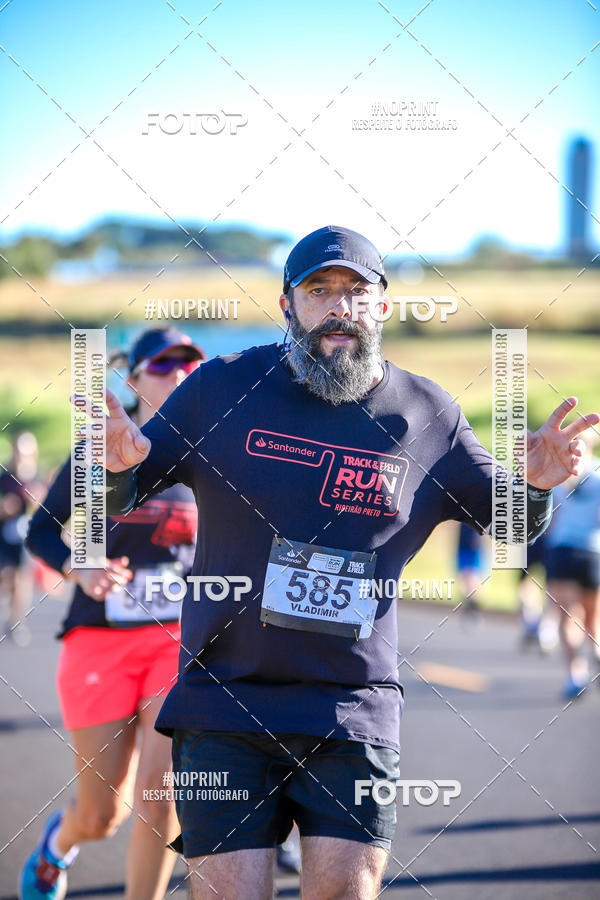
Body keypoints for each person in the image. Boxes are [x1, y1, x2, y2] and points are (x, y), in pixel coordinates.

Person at [97, 226, 596, 899]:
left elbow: (504, 526)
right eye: (319, 291)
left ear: (382, 308)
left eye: (356, 292)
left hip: (352, 713)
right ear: (287, 305)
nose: (339, 307)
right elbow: (127, 485)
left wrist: (536, 487)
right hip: (225, 705)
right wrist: (114, 472)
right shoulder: (220, 390)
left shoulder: (429, 415)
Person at [19, 328, 204, 900]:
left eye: (190, 363)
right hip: (99, 643)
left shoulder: (209, 451)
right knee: (103, 814)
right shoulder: (99, 445)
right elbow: (40, 531)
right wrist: (81, 567)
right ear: (134, 376)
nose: (179, 372)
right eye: (164, 361)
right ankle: (60, 843)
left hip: (177, 643)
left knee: (162, 790)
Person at [544, 434, 600, 699]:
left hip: (562, 551)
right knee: (593, 620)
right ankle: (597, 655)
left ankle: (575, 676)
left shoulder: (559, 474)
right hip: (592, 552)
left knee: (568, 619)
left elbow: (548, 519)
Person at [0, 431, 43, 647]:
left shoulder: (36, 479)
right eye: (18, 451)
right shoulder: (4, 479)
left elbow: (47, 509)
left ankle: (16, 622)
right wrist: (5, 508)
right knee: (6, 577)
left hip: (26, 538)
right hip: (4, 537)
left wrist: (37, 500)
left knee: (23, 580)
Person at [455, 521, 487, 617]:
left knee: (470, 573)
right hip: (467, 542)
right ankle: (472, 603)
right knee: (469, 574)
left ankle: (472, 604)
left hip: (471, 543)